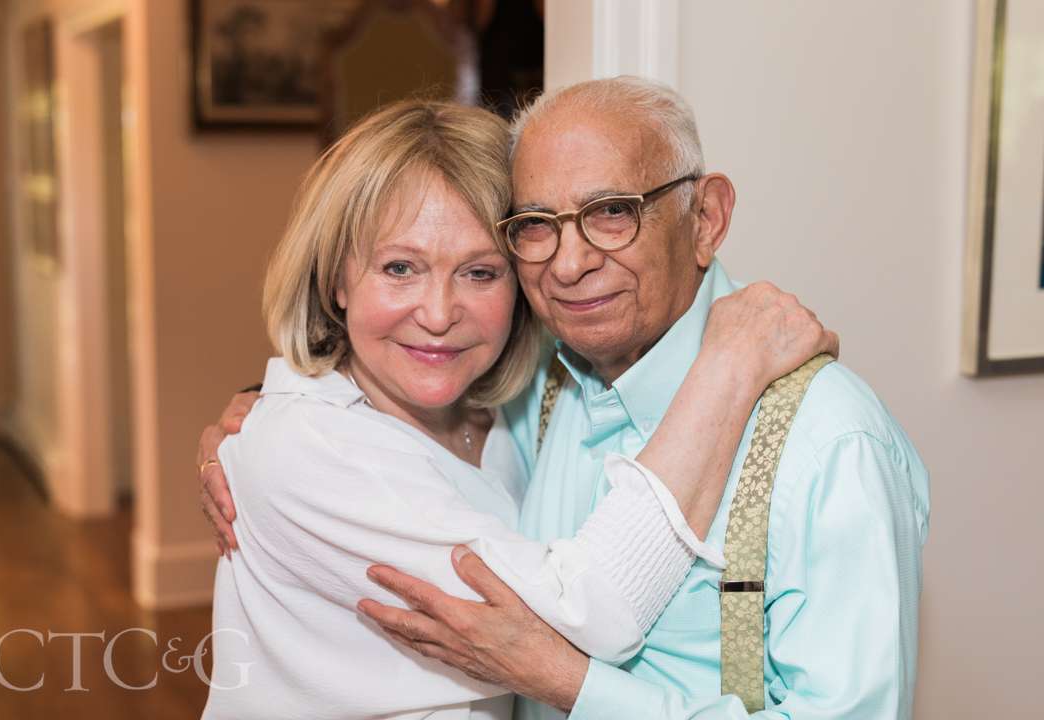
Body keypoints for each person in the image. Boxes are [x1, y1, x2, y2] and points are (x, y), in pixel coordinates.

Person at [201, 77, 928, 719]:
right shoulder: (542, 397)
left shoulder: (829, 442)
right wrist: (264, 411)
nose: (573, 263)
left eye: (613, 211)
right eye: (538, 227)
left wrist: (570, 683)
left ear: (705, 219)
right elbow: (583, 601)